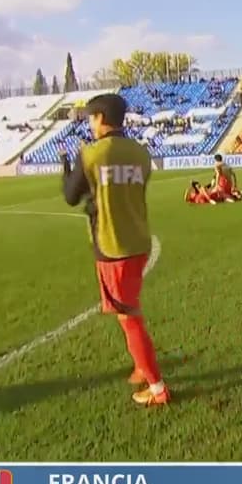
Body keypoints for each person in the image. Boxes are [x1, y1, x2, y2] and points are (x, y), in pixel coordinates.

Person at [59, 93, 169, 406]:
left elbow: (70, 195)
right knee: (129, 308)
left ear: (100, 118)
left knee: (128, 316)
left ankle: (157, 387)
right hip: (139, 240)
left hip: (111, 243)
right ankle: (140, 366)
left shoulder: (92, 153)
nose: (89, 123)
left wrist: (67, 164)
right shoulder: (141, 152)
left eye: (91, 117)